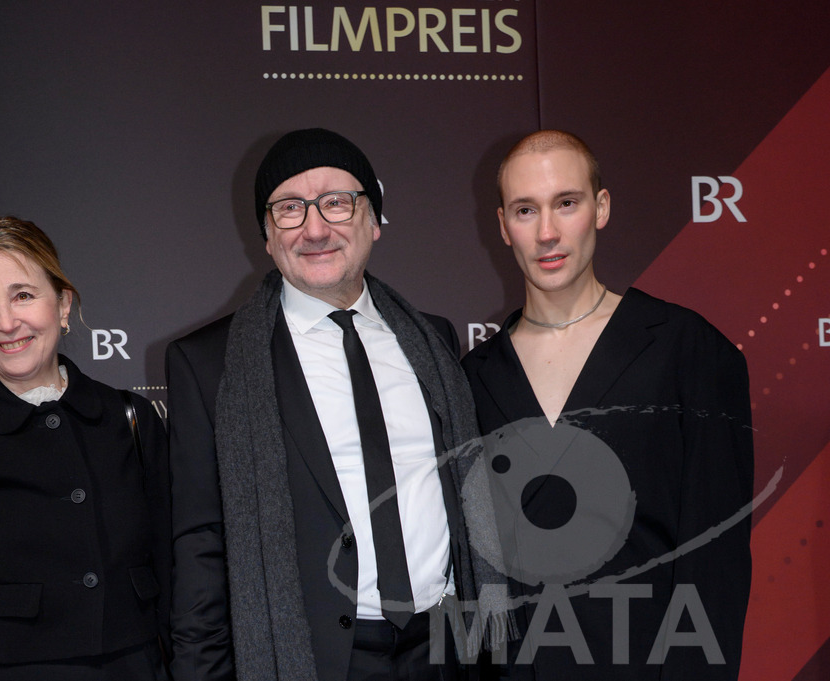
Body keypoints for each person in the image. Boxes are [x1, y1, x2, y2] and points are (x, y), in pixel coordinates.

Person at [166, 128, 508, 681]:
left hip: (448, 651)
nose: (315, 228)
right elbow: (200, 547)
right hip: (317, 661)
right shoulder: (210, 364)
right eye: (290, 209)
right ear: (267, 235)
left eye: (336, 202)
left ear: (373, 220)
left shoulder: (435, 341)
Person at [462, 130, 753, 679]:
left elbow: (716, 566)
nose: (547, 232)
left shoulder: (687, 350)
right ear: (503, 226)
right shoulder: (472, 380)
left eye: (565, 203)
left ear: (600, 208)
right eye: (526, 210)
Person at [0, 216, 171, 681]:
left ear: (62, 304)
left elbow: (176, 573)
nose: (6, 322)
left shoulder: (133, 420)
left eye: (23, 295)